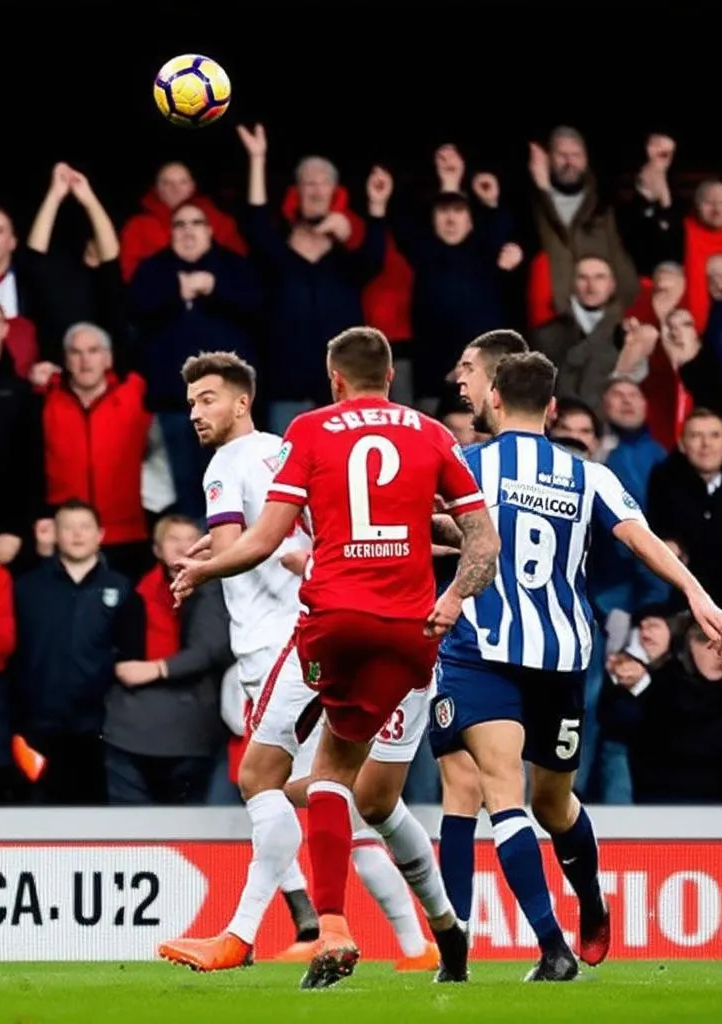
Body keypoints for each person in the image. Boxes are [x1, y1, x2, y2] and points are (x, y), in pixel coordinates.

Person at [171, 327, 502, 988]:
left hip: (329, 633)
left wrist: (199, 572)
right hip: (413, 635)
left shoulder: (310, 432)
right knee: (372, 798)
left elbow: (268, 537)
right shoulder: (433, 434)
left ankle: (318, 926)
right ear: (391, 375)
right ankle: (440, 932)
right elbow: (477, 535)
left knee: (283, 776)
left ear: (335, 379)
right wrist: (456, 595)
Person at [427, 351, 722, 981]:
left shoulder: (466, 464)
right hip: (560, 653)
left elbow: (449, 527)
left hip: (489, 642)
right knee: (509, 792)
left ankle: (578, 910)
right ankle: (540, 945)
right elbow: (641, 539)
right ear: (550, 410)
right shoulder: (587, 475)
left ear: (491, 403)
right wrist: (698, 595)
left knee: (538, 802)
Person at [434, 328, 528, 937]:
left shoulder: (467, 463)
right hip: (550, 646)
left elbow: (481, 544)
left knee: (496, 792)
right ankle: (460, 936)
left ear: (494, 384)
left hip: (480, 641)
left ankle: (546, 938)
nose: (457, 380)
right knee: (469, 786)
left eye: (467, 369)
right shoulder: (568, 468)